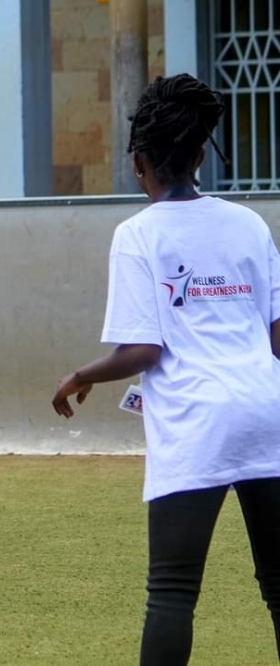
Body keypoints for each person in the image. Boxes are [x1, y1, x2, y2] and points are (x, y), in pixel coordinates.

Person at [51, 74, 280, 665]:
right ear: (202, 155)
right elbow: (277, 337)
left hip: (196, 422)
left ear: (137, 164)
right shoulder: (250, 223)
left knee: (173, 593)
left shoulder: (137, 234)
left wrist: (81, 374)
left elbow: (143, 352)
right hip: (267, 413)